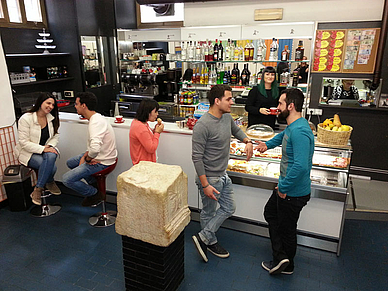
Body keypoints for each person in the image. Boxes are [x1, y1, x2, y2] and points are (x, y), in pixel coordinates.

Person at [191, 84, 253, 262]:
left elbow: (236, 130)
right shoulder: (202, 125)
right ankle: (210, 242)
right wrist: (205, 185)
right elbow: (196, 158)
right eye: (229, 99)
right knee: (208, 212)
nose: (232, 102)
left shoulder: (226, 117)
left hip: (223, 175)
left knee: (229, 208)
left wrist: (247, 140)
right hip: (209, 178)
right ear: (217, 101)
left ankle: (203, 237)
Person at [256, 88, 314, 275]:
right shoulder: (293, 126)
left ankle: (286, 265)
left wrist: (283, 186)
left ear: (290, 105)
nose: (277, 107)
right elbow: (283, 136)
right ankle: (281, 257)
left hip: (292, 192)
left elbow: (301, 166)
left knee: (287, 229)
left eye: (280, 103)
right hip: (287, 188)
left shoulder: (300, 131)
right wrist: (267, 144)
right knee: (271, 214)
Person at [62, 92, 117, 207]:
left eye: (77, 104)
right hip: (100, 155)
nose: (75, 106)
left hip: (103, 161)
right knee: (71, 162)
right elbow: (94, 146)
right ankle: (94, 184)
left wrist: (87, 159)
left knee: (67, 179)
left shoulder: (95, 122)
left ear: (84, 105)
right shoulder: (96, 118)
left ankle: (94, 194)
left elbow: (95, 149)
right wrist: (86, 156)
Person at [15, 92, 61, 205]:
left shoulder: (51, 118)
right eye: (48, 103)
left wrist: (49, 146)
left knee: (52, 155)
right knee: (50, 167)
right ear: (40, 102)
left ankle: (38, 188)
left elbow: (55, 135)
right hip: (27, 152)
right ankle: (46, 183)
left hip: (45, 150)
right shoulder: (26, 118)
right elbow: (24, 143)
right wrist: (42, 149)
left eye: (53, 105)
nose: (50, 107)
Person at [129, 99, 164, 166]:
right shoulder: (140, 128)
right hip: (144, 166)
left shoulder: (140, 123)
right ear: (148, 113)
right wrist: (157, 133)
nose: (157, 114)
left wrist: (154, 131)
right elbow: (151, 148)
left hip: (144, 164)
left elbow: (146, 138)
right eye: (155, 111)